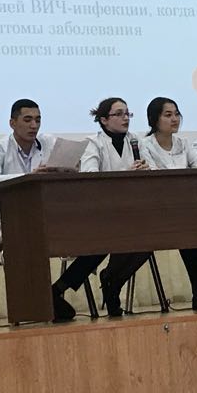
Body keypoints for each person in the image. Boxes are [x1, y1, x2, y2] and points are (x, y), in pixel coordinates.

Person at [52, 97, 152, 318]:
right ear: (104, 120)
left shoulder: (135, 141)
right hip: (98, 212)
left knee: (148, 239)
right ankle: (77, 287)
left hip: (130, 211)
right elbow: (90, 177)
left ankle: (111, 281)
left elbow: (151, 169)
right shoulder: (93, 143)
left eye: (128, 113)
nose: (126, 118)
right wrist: (126, 174)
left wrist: (146, 168)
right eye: (119, 114)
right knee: (106, 240)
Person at [139, 96, 197, 310]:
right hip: (158, 209)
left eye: (177, 114)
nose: (174, 119)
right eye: (168, 115)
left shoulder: (183, 143)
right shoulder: (144, 144)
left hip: (185, 209)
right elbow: (152, 175)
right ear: (154, 119)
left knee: (186, 228)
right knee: (185, 228)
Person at [0, 99, 59, 253]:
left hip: (45, 210)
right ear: (12, 123)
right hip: (11, 212)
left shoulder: (48, 142)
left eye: (38, 120)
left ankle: (77, 269)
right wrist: (28, 177)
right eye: (27, 120)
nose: (34, 126)